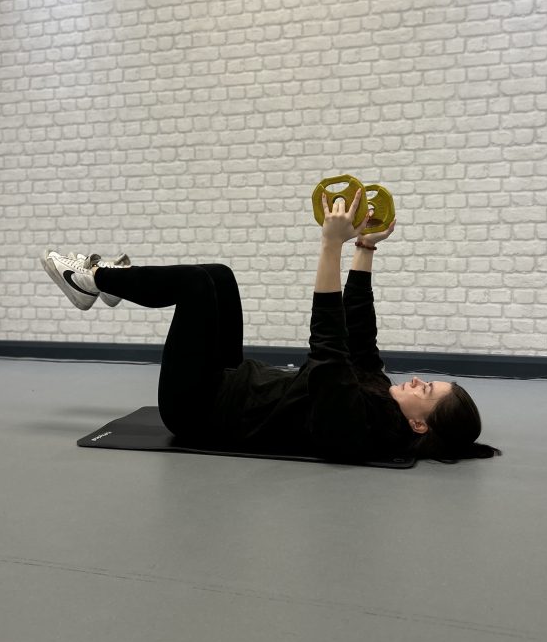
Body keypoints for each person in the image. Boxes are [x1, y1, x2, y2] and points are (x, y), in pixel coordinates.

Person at [41, 189, 501, 463]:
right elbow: (360, 334)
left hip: (198, 410)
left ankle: (90, 280)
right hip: (231, 379)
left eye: (426, 390)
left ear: (420, 426)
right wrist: (365, 247)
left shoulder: (358, 427)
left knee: (197, 287)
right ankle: (116, 285)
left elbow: (329, 342)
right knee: (219, 276)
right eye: (427, 381)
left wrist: (330, 245)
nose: (418, 381)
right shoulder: (381, 399)